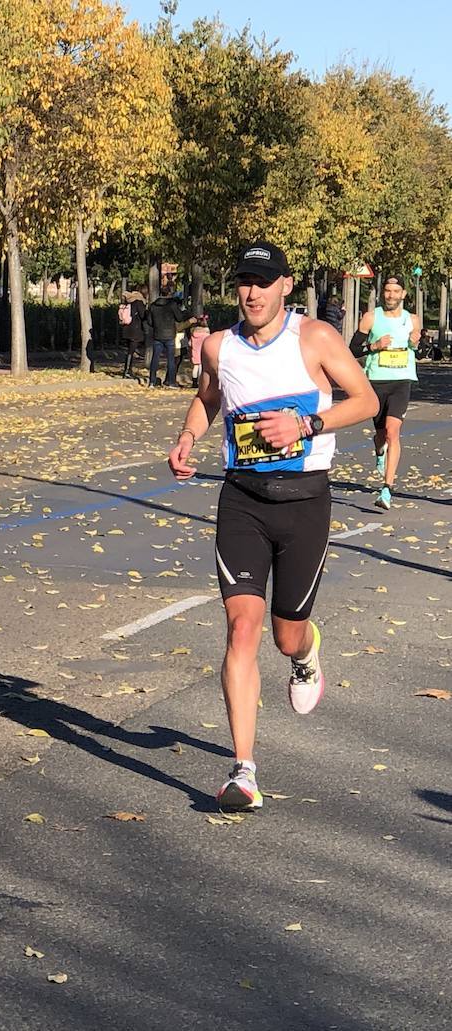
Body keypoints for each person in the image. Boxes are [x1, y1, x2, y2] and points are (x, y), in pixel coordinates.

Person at [168, 241, 377, 811]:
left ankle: (307, 652)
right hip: (242, 501)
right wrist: (188, 437)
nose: (252, 292)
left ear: (286, 285)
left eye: (263, 281)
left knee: (286, 635)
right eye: (243, 281)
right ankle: (243, 771)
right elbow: (206, 400)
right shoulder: (219, 347)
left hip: (305, 502)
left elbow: (366, 400)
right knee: (241, 627)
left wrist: (306, 423)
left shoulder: (315, 339)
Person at [356, 273, 419, 511]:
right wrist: (374, 345)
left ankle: (387, 489)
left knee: (394, 432)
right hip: (376, 382)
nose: (391, 295)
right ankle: (378, 450)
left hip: (401, 381)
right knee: (381, 434)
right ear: (384, 294)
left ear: (403, 294)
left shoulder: (412, 319)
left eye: (396, 291)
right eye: (388, 291)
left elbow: (419, 350)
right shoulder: (371, 318)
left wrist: (416, 342)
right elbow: (353, 349)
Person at [145, 285, 186, 387]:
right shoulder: (172, 305)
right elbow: (179, 318)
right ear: (169, 293)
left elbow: (149, 321)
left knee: (155, 358)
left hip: (158, 334)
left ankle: (152, 381)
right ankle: (171, 382)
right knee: (171, 359)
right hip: (170, 334)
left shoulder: (153, 306)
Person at [118, 287, 147, 379]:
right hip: (135, 330)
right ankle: (127, 371)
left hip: (126, 329)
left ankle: (127, 370)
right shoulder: (139, 302)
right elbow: (143, 315)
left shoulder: (128, 302)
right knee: (131, 351)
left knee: (129, 351)